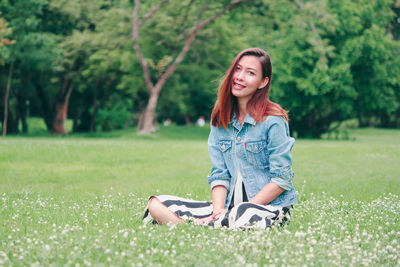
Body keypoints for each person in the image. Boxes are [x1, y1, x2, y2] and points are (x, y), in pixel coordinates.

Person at [143, 48, 297, 229]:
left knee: (243, 215)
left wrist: (246, 207)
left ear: (263, 82)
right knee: (156, 204)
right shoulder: (220, 120)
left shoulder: (273, 120)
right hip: (228, 208)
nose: (239, 76)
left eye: (250, 73)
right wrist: (217, 212)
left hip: (267, 208)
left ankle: (201, 226)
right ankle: (211, 224)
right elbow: (220, 174)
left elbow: (281, 180)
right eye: (237, 69)